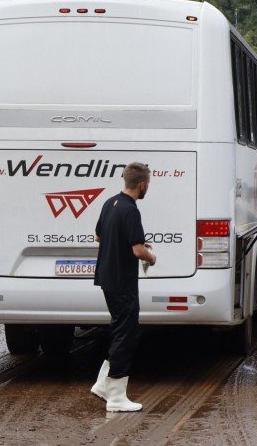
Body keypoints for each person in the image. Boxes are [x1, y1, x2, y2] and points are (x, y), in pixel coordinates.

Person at [90, 162, 156, 413]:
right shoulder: (131, 210)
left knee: (120, 329)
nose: (147, 187)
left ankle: (103, 384)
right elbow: (138, 250)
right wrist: (151, 257)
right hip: (122, 280)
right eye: (147, 184)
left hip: (107, 277)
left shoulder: (110, 203)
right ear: (142, 184)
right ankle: (116, 397)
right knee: (127, 333)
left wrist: (126, 239)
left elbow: (99, 235)